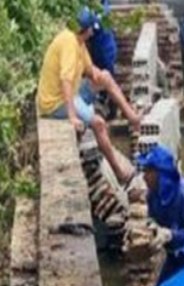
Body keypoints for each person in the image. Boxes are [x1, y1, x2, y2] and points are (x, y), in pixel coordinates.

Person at [37, 6, 141, 186]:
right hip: (55, 103)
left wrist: (100, 78)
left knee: (106, 76)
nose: (93, 32)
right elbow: (66, 81)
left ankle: (132, 117)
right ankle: (119, 172)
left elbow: (90, 70)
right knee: (99, 123)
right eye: (91, 29)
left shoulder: (79, 42)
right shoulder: (69, 42)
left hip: (72, 92)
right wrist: (72, 116)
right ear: (84, 30)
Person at [137, 144, 184, 285]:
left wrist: (171, 235)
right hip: (173, 254)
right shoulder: (153, 194)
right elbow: (153, 218)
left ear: (160, 174)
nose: (144, 177)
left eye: (148, 172)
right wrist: (151, 229)